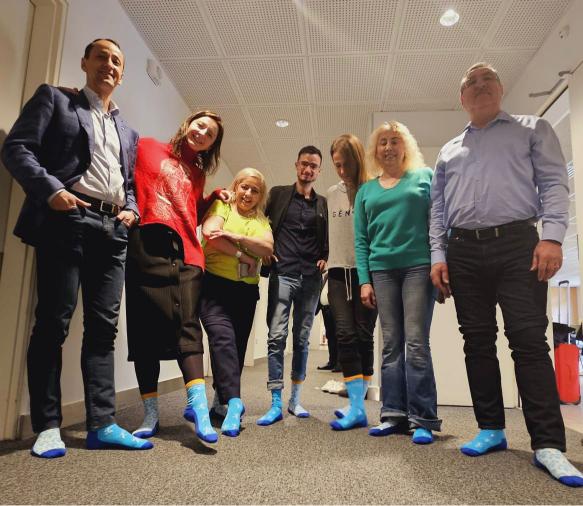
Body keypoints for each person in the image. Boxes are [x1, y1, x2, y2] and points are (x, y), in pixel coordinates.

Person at [430, 62, 583, 486]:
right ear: (462, 99)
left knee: (528, 341)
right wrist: (438, 255)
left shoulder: (532, 129)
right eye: (471, 83)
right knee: (477, 341)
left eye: (488, 80)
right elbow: (438, 210)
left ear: (500, 89)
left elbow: (554, 183)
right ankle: (491, 428)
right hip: (462, 250)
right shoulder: (448, 151)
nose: (480, 86)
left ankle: (548, 444)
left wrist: (552, 237)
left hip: (519, 245)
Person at [1, 39, 151, 457]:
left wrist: (132, 209)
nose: (108, 64)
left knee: (104, 330)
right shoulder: (56, 100)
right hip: (67, 220)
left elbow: (129, 183)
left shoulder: (128, 131)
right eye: (101, 56)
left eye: (116, 61)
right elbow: (16, 148)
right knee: (54, 322)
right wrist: (51, 190)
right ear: (85, 62)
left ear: (122, 74)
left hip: (114, 231)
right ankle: (48, 426)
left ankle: (102, 424)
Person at [125, 111, 226, 444]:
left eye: (210, 134)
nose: (203, 133)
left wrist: (211, 198)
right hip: (145, 246)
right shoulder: (146, 147)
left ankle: (199, 409)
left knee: (188, 327)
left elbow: (190, 213)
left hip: (186, 254)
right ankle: (150, 414)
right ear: (188, 124)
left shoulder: (197, 174)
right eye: (200, 125)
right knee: (143, 332)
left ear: (211, 145)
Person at [354, 122, 441, 443]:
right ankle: (393, 414)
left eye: (395, 141)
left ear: (406, 146)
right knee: (391, 344)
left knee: (416, 343)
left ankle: (422, 418)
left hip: (419, 267)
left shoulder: (424, 177)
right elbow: (361, 240)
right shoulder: (366, 191)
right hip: (382, 272)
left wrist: (440, 262)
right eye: (383, 142)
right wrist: (364, 281)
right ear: (375, 150)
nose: (388, 147)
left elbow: (438, 223)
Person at [257, 146, 328, 425]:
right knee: (276, 336)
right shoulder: (278, 194)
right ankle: (275, 401)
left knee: (301, 339)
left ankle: (295, 400)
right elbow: (260, 220)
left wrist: (326, 256)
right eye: (304, 164)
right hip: (283, 272)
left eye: (313, 166)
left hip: (310, 277)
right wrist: (265, 248)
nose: (308, 169)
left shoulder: (322, 204)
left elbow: (329, 236)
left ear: (319, 171)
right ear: (296, 165)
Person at [199, 168, 273, 437]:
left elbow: (268, 249)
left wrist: (238, 238)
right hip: (214, 285)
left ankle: (220, 404)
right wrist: (244, 255)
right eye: (244, 187)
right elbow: (211, 233)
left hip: (245, 291)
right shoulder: (222, 206)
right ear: (236, 186)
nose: (248, 194)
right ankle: (234, 402)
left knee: (237, 348)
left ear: (260, 196)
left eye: (255, 190)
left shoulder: (262, 220)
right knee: (222, 339)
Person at [325, 134, 378, 431]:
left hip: (366, 272)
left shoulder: (371, 190)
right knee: (344, 334)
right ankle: (356, 405)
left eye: (347, 164)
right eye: (337, 165)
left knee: (363, 335)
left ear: (358, 160)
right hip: (337, 273)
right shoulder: (331, 193)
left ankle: (359, 403)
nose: (342, 171)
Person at [316, 274, 340, 372]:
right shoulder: (326, 276)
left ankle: (340, 363)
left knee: (338, 335)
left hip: (336, 308)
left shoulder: (337, 276)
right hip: (325, 309)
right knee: (330, 335)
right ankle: (332, 362)